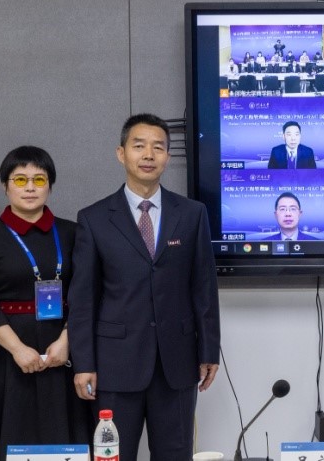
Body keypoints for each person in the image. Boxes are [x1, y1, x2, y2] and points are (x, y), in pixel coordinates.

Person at [69, 113, 221, 459]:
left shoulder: (192, 214)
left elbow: (203, 288)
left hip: (177, 363)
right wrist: (83, 362)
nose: (149, 155)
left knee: (175, 453)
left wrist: (209, 349)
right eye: (139, 146)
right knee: (113, 456)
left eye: (158, 147)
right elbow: (83, 299)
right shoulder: (94, 219)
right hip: (114, 365)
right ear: (121, 153)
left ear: (168, 156)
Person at [0, 146, 90, 459]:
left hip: (63, 349)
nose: (30, 187)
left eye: (39, 179)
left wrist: (67, 341)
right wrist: (18, 349)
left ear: (50, 185)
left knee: (62, 435)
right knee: (11, 435)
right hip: (5, 352)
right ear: (5, 186)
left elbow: (86, 293)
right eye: (20, 180)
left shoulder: (73, 233)